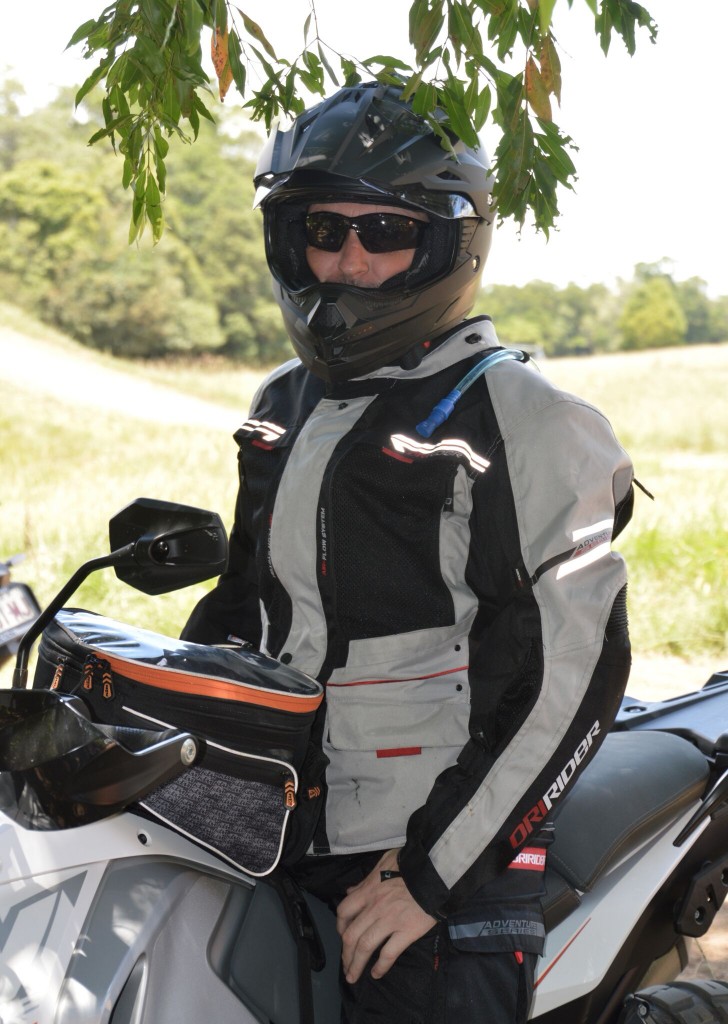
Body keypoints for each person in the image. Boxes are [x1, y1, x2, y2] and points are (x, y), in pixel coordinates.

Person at [182, 81, 634, 1023]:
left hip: (436, 864)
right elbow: (246, 611)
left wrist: (427, 875)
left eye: (385, 232)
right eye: (323, 229)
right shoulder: (285, 402)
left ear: (448, 244)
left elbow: (571, 677)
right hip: (278, 831)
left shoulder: (526, 420)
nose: (348, 260)